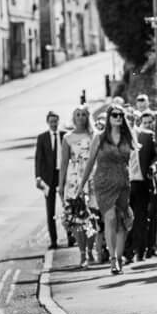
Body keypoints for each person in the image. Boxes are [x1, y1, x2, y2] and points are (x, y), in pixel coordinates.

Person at [78, 106, 135, 275]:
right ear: (109, 118)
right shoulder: (100, 138)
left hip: (123, 182)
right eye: (115, 115)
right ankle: (113, 260)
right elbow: (90, 162)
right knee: (109, 218)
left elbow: (134, 159)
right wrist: (82, 185)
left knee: (122, 221)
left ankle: (119, 257)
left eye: (121, 115)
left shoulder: (127, 137)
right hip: (103, 182)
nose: (118, 118)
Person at [58, 105, 97, 268]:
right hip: (74, 180)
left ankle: (90, 250)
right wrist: (61, 185)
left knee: (93, 217)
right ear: (73, 118)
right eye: (77, 115)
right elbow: (64, 162)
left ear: (88, 116)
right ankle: (82, 253)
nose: (80, 117)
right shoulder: (67, 137)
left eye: (83, 114)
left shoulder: (95, 135)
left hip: (93, 179)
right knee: (78, 219)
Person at [125, 110, 157, 263]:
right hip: (124, 183)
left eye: (132, 118)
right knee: (126, 218)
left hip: (141, 182)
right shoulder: (117, 138)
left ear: (136, 120)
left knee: (141, 218)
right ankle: (127, 251)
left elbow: (156, 155)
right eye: (127, 118)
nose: (129, 121)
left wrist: (152, 166)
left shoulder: (147, 135)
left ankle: (140, 251)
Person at [33, 111, 63, 249]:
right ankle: (53, 240)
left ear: (58, 121)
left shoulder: (64, 136)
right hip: (48, 178)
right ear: (48, 122)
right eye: (51, 121)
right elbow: (38, 159)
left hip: (62, 175)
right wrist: (38, 177)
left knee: (68, 208)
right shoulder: (42, 138)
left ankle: (71, 236)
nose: (54, 124)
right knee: (50, 211)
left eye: (55, 121)